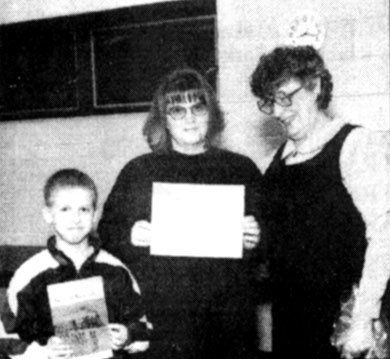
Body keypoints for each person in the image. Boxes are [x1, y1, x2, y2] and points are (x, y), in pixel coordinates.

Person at [98, 68, 263, 359]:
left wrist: (257, 236)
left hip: (227, 321)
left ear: (211, 113)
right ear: (163, 119)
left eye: (198, 107)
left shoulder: (241, 169)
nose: (189, 118)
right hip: (162, 319)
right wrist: (129, 235)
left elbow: (271, 240)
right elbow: (106, 233)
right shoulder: (138, 172)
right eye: (177, 110)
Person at [250, 45, 390, 359]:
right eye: (270, 101)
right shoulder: (274, 161)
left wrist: (364, 318)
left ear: (315, 86)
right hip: (291, 321)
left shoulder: (354, 144)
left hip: (345, 321)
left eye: (286, 97)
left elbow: (385, 233)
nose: (278, 111)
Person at [1, 168, 151, 359]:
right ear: (48, 215)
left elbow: (143, 327)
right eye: (65, 209)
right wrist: (43, 351)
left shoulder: (116, 270)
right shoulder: (28, 274)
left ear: (95, 215)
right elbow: (7, 338)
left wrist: (128, 336)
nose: (76, 218)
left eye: (84, 209)